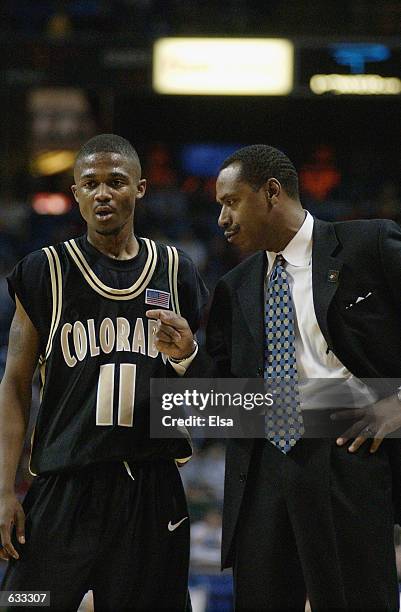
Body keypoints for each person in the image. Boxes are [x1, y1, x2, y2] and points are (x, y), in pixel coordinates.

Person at [147, 144, 401, 611]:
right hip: (261, 468)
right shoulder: (234, 286)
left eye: (230, 201)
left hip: (348, 453)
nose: (221, 218)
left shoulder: (369, 245)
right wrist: (186, 356)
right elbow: (222, 400)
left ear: (270, 191)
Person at [0, 134, 208, 611]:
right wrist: (4, 490)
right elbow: (14, 384)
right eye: (90, 183)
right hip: (64, 489)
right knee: (25, 603)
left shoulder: (176, 270)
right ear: (75, 194)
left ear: (140, 189)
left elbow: (206, 388)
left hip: (151, 490)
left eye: (116, 182)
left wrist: (187, 355)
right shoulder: (44, 271)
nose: (103, 193)